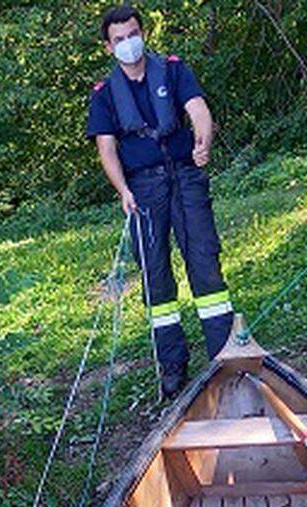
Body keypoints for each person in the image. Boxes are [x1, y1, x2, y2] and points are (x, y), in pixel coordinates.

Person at [86, 4, 234, 398]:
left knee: (205, 262)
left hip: (185, 176)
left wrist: (203, 141)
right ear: (108, 47)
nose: (128, 44)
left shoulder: (172, 70)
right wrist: (124, 192)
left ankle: (224, 356)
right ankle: (172, 365)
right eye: (119, 39)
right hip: (143, 189)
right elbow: (106, 149)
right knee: (155, 274)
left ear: (143, 34)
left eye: (133, 34)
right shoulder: (104, 95)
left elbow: (198, 111)